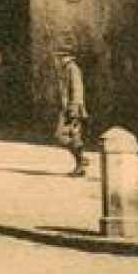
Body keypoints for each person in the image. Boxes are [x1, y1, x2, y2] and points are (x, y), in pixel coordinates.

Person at [55, 48, 89, 177]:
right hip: (67, 109)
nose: (59, 59)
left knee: (60, 136)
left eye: (60, 56)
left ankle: (81, 160)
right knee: (74, 137)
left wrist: (74, 110)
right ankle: (80, 164)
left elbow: (77, 90)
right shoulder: (66, 68)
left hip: (72, 109)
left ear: (68, 56)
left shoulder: (73, 69)